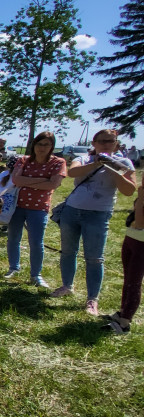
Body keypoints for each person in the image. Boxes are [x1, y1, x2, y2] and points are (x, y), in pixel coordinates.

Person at [51, 129, 137, 315]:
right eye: (102, 141)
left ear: (116, 143)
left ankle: (92, 299)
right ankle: (67, 285)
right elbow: (73, 172)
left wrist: (113, 167)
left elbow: (129, 191)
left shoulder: (124, 163)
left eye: (110, 141)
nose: (106, 144)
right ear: (94, 143)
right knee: (68, 251)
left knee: (95, 258)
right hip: (72, 212)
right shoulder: (84, 159)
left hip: (98, 214)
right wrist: (97, 162)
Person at [5, 131, 67, 288]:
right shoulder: (23, 160)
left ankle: (36, 274)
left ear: (52, 146)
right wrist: (43, 180)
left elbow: (53, 184)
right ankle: (13, 267)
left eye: (46, 144)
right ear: (34, 145)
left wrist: (27, 182)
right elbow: (16, 179)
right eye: (39, 144)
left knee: (36, 242)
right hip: (17, 206)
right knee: (13, 237)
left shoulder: (58, 162)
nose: (42, 148)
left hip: (39, 208)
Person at [104, 181, 144, 334]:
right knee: (127, 278)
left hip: (141, 243)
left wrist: (141, 198)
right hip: (131, 239)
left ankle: (125, 322)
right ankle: (121, 312)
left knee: (134, 282)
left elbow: (140, 223)